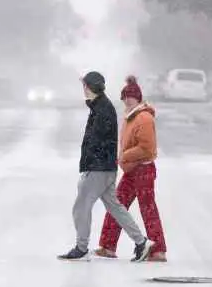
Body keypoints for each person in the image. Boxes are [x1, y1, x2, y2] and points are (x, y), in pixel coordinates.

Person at [58, 71, 154, 262]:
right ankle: (141, 242)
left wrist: (91, 165)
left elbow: (100, 142)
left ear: (90, 87)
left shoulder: (102, 109)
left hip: (98, 168)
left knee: (81, 207)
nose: (83, 89)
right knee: (115, 207)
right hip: (104, 167)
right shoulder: (100, 106)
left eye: (84, 85)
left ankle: (81, 247)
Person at [94, 75, 167, 262]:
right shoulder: (130, 116)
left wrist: (125, 157)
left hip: (143, 170)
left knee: (147, 209)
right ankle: (108, 246)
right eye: (125, 96)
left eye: (131, 96)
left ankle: (158, 250)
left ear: (138, 97)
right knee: (116, 205)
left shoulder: (143, 117)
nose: (127, 99)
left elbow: (147, 148)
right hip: (131, 171)